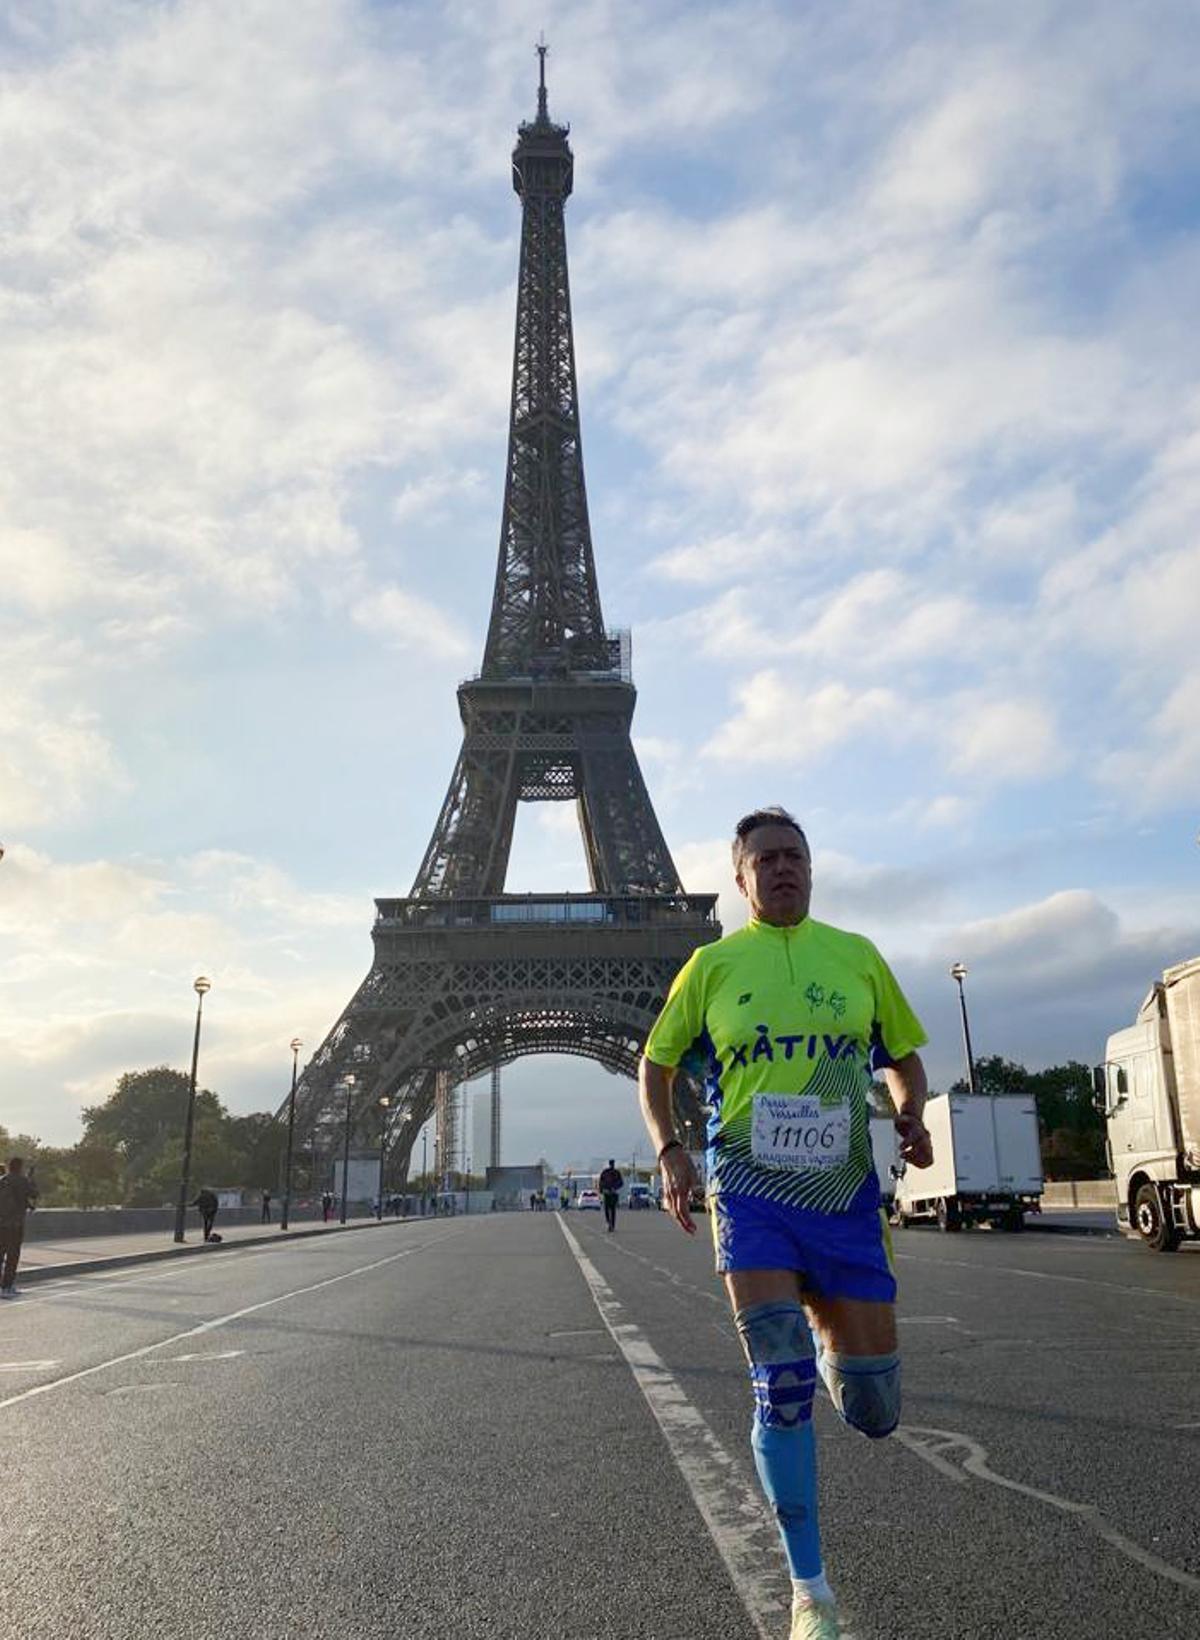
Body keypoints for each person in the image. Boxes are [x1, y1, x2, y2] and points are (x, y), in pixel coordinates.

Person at [639, 807, 933, 1640]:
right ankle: (811, 1592)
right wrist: (669, 1151)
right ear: (740, 878)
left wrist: (909, 1111)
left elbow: (904, 1057)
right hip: (752, 1194)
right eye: (765, 858)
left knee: (876, 1409)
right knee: (780, 1380)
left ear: (811, 866)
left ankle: (836, 1340)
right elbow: (656, 1063)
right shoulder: (711, 965)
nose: (782, 867)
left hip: (843, 1201)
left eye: (794, 855)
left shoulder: (859, 957)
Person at [0, 1157, 39, 1297]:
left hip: (1, 1224)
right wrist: (31, 1178)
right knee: (12, 1256)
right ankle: (6, 1287)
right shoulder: (23, 1181)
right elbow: (34, 1194)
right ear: (20, 1167)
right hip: (15, 1224)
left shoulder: (2, 1180)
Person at [597, 1159, 624, 1232]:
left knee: (612, 1209)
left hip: (613, 1193)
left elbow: (621, 1182)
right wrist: (602, 1190)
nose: (612, 1165)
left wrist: (614, 1188)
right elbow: (600, 1182)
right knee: (607, 1209)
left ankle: (611, 1225)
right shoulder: (605, 1172)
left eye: (613, 1164)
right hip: (607, 1193)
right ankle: (609, 1223)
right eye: (611, 1164)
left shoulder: (616, 1172)